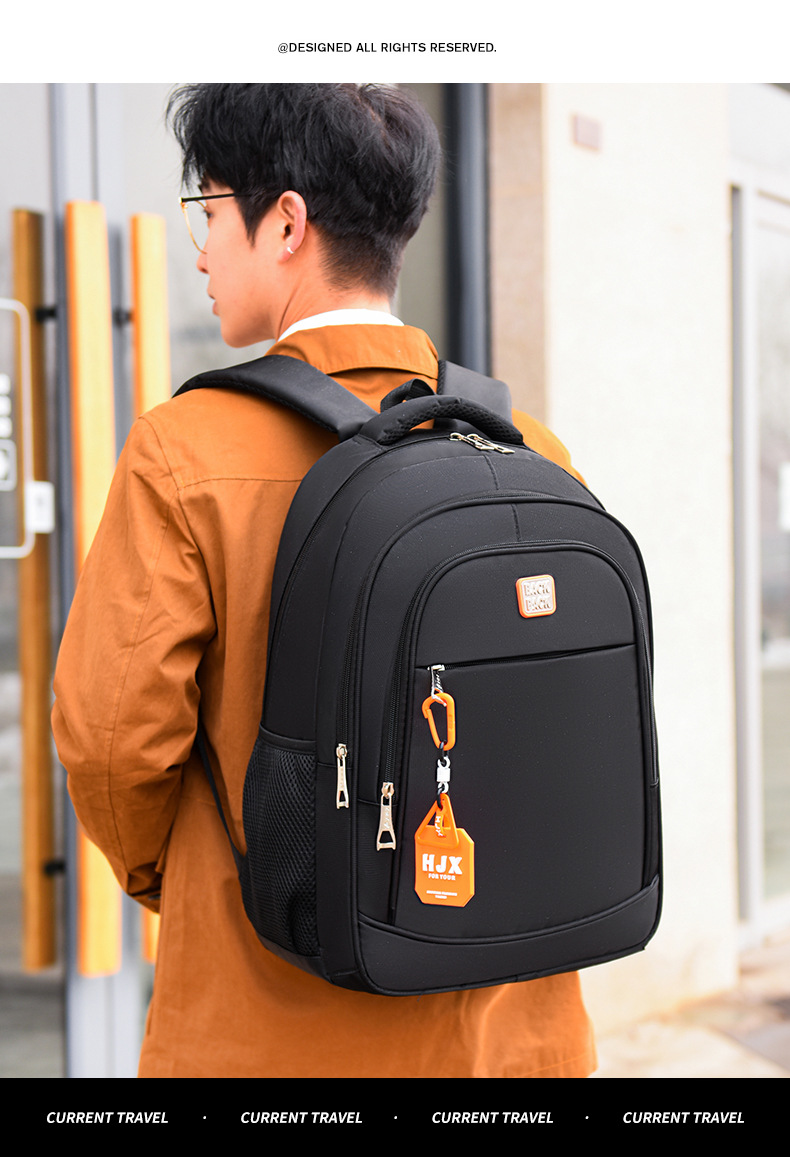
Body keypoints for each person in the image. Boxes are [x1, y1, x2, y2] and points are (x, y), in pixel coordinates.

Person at [51, 83, 597, 1078]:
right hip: (514, 1034)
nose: (201, 252)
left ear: (286, 223)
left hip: (268, 1031)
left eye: (210, 211)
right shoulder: (530, 449)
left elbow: (110, 739)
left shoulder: (185, 450)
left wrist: (194, 880)